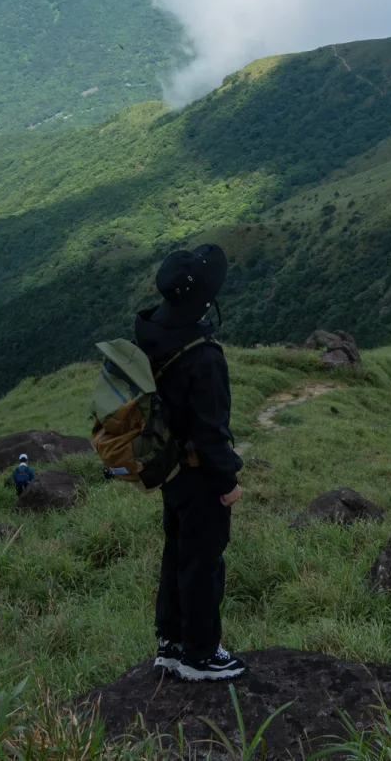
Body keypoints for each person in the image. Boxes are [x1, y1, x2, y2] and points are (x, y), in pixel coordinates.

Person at [135, 243, 245, 682]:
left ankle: (171, 642)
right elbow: (211, 431)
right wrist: (228, 482)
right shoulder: (203, 355)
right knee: (204, 561)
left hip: (170, 468)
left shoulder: (152, 330)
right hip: (199, 473)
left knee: (176, 551)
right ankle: (200, 655)